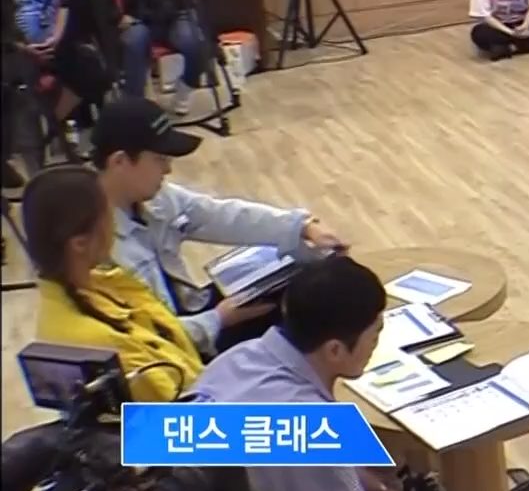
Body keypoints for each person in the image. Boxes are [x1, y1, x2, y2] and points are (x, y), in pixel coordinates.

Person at [183, 256, 452, 491]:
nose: (375, 345)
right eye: (374, 334)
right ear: (335, 350)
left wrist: (380, 490)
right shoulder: (303, 422)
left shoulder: (241, 356)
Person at [92, 96, 347, 355]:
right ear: (120, 162)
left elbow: (221, 215)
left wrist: (302, 226)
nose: (168, 169)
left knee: (305, 280)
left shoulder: (156, 197)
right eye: (160, 159)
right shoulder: (92, 246)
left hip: (190, 312)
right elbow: (141, 341)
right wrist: (219, 319)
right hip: (174, 352)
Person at [21, 164, 203, 402]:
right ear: (79, 243)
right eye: (109, 216)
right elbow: (179, 411)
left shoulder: (96, 286)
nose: (115, 225)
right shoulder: (99, 342)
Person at [9, 0, 111, 138]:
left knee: (91, 69)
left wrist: (56, 37)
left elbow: (64, 5)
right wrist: (25, 48)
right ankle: (48, 130)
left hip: (55, 44)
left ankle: (70, 125)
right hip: (17, 50)